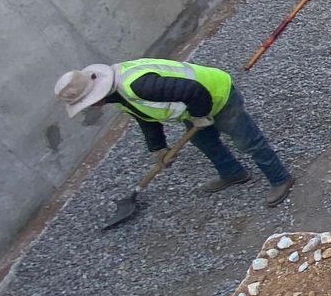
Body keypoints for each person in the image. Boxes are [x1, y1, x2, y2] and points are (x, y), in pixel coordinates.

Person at [54, 58, 294, 205]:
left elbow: (193, 89)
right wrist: (157, 148)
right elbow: (145, 118)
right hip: (193, 108)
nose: (91, 107)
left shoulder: (137, 84)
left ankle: (280, 178)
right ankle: (233, 173)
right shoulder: (120, 95)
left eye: (87, 103)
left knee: (246, 140)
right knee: (206, 143)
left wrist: (201, 115)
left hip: (217, 95)